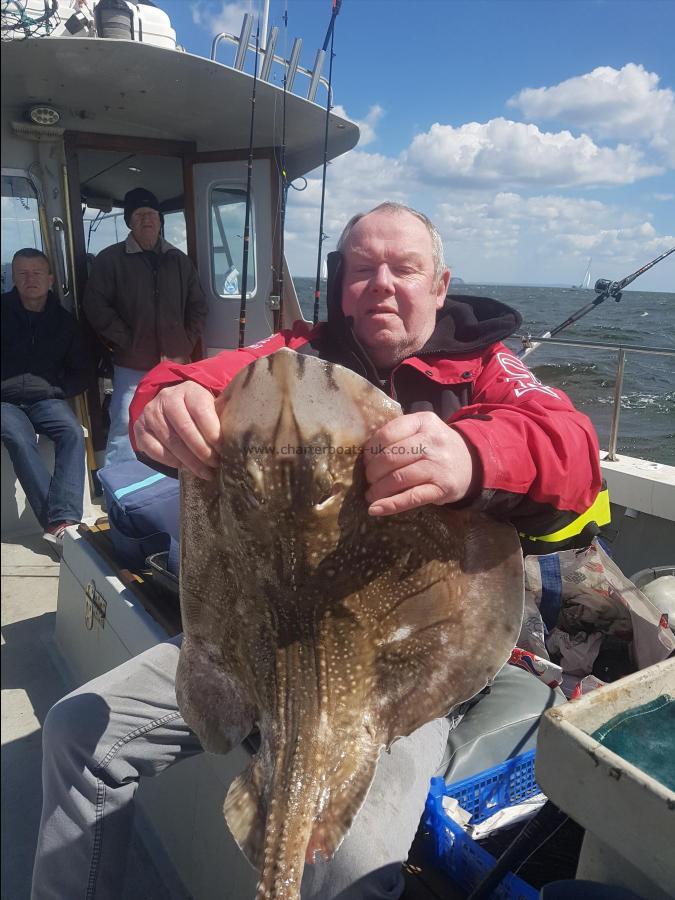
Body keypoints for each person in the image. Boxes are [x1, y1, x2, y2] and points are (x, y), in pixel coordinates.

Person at [32, 203, 605, 899]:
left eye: (404, 268)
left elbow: (571, 446)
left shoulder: (485, 372)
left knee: (357, 862)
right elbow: (194, 383)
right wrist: (163, 398)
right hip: (257, 637)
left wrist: (472, 451)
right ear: (338, 282)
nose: (383, 284)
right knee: (77, 731)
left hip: (393, 672)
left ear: (440, 284)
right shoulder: (297, 360)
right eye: (362, 270)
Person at [83, 187, 208, 466]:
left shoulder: (179, 260)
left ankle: (163, 490)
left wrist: (185, 343)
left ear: (160, 220)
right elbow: (95, 306)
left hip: (175, 363)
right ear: (129, 221)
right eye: (139, 215)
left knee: (175, 425)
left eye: (151, 214)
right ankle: (118, 493)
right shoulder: (110, 259)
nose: (147, 220)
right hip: (132, 364)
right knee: (126, 423)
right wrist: (126, 340)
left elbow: (198, 306)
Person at [1, 248, 92, 550]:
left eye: (37, 273)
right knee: (17, 437)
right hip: (5, 401)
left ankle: (63, 519)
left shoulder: (65, 322)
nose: (31, 279)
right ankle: (59, 523)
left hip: (47, 398)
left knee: (71, 432)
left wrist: (57, 390)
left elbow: (82, 369)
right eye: (23, 273)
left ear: (50, 279)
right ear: (13, 278)